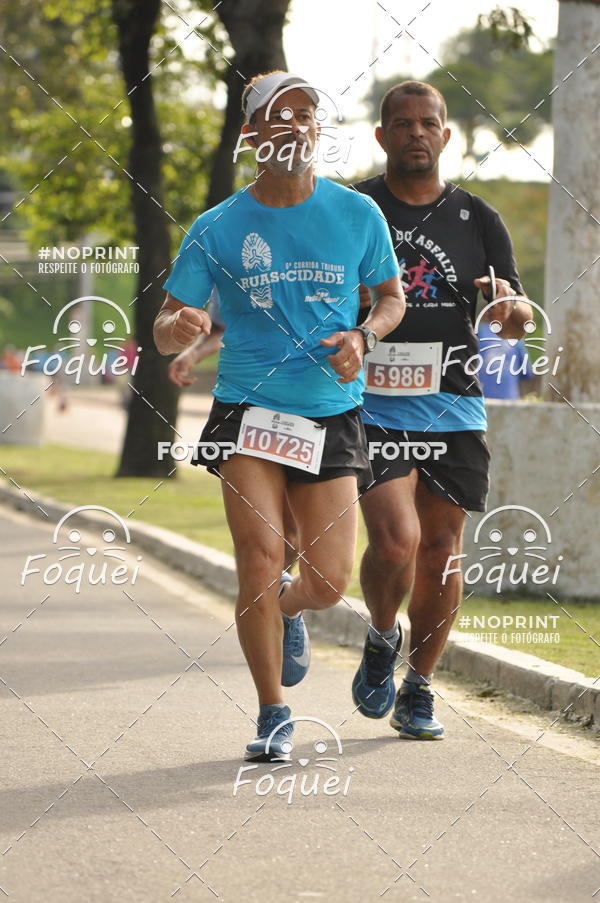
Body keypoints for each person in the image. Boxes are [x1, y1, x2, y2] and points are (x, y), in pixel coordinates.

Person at [154, 71, 404, 760]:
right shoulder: (218, 227)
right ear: (251, 135)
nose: (296, 124)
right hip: (247, 409)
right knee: (259, 557)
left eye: (306, 113)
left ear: (317, 130)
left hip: (328, 411)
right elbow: (167, 321)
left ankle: (291, 609)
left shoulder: (356, 213)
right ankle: (272, 712)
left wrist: (363, 337)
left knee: (328, 581)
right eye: (279, 114)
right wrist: (179, 328)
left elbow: (390, 295)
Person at [351, 81, 532, 739]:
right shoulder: (355, 207)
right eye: (402, 124)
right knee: (395, 540)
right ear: (382, 135)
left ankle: (420, 685)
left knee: (440, 552)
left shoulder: (479, 219)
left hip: (453, 405)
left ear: (445, 135)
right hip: (372, 402)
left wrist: (508, 311)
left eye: (428, 123)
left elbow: (510, 317)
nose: (416, 134)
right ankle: (379, 632)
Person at [168, 293, 300, 571]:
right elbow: (221, 326)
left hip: (307, 404)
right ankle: (266, 605)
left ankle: (283, 605)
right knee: (260, 540)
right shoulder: (232, 253)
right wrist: (192, 354)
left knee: (291, 536)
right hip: (245, 405)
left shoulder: (327, 253)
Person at [477, 321, 533, 399]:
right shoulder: (515, 334)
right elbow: (527, 373)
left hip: (481, 401)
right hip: (509, 401)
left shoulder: (478, 332)